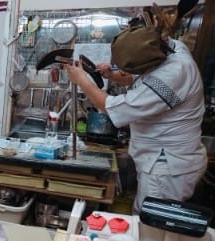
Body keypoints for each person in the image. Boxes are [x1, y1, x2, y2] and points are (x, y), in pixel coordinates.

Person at [65, 25, 207, 215]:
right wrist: (115, 75)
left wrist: (82, 81)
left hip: (166, 168)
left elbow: (112, 108)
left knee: (149, 226)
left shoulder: (173, 74)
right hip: (164, 161)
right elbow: (145, 78)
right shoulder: (171, 47)